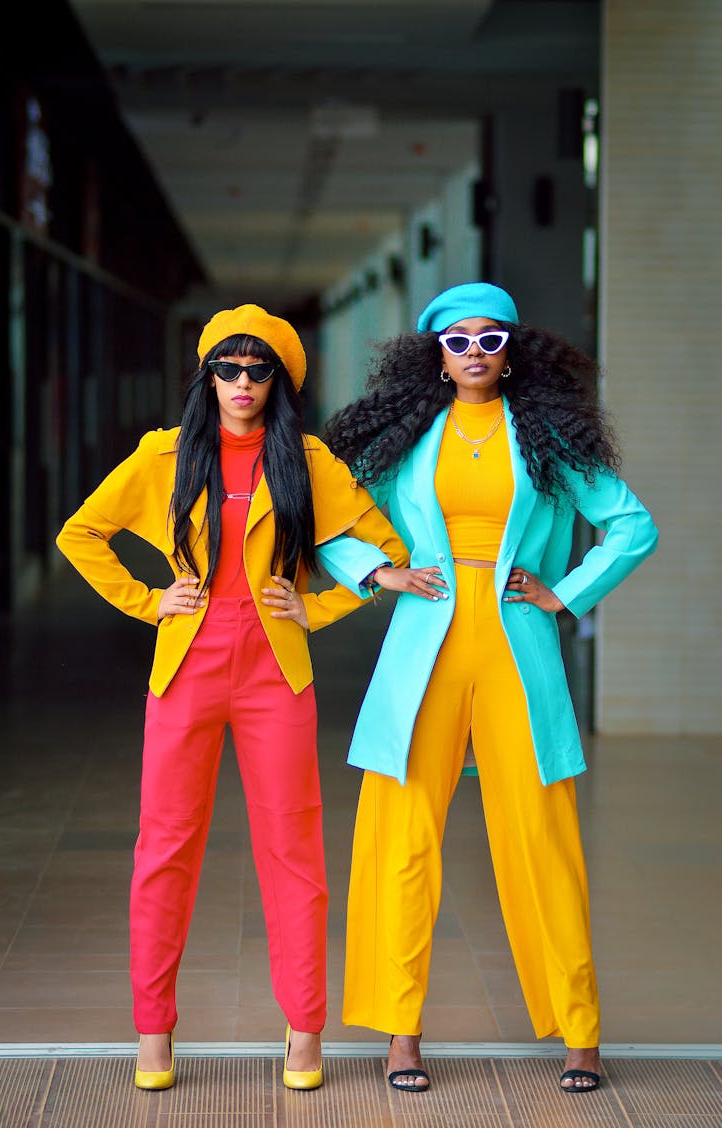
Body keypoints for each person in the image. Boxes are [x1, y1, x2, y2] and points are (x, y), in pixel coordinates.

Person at [56, 303, 409, 1092]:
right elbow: (80, 532)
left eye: (258, 371)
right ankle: (153, 1033)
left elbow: (386, 549)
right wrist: (151, 601)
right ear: (206, 374)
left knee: (294, 853)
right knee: (164, 849)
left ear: (279, 380)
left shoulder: (307, 460)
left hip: (275, 671)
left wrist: (314, 608)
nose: (241, 384)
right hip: (184, 667)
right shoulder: (167, 456)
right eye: (227, 368)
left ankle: (303, 1029)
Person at [321, 282, 659, 1094]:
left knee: (542, 839)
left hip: (517, 648)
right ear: (434, 353)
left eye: (490, 339)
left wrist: (566, 593)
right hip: (423, 649)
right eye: (458, 340)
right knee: (400, 844)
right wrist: (380, 571)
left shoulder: (545, 437)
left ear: (513, 351)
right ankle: (399, 1035)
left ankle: (581, 1033)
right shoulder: (407, 437)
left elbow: (631, 525)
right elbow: (328, 520)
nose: (474, 353)